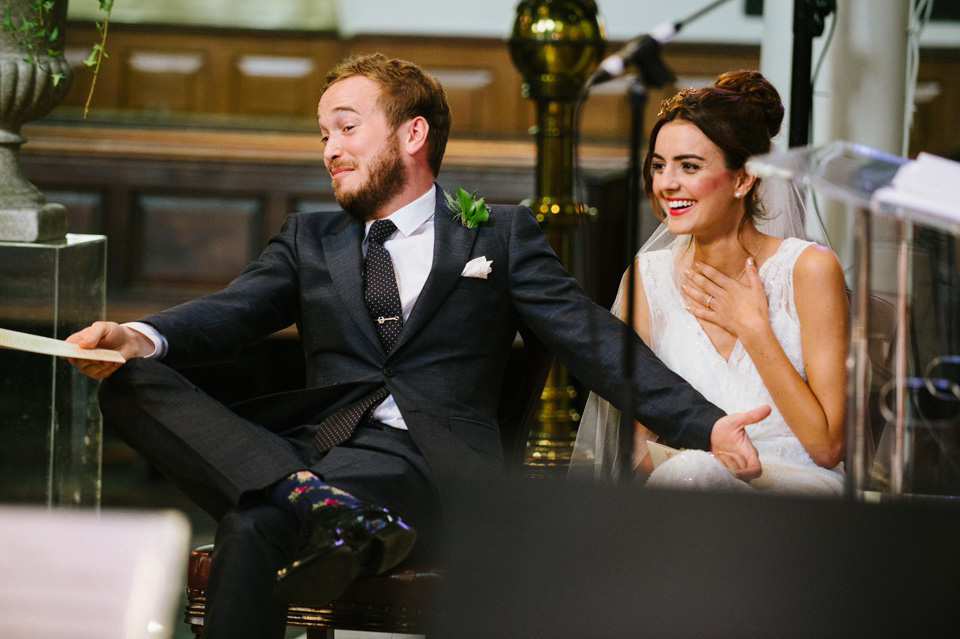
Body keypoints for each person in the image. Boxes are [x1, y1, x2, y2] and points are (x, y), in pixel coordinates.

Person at [66, 54, 769, 639]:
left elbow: (591, 338)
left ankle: (306, 504)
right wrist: (139, 335)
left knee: (252, 525)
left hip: (429, 467)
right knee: (130, 379)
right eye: (321, 136)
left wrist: (703, 422)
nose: (330, 149)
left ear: (413, 135)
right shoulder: (309, 239)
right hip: (317, 450)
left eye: (345, 128)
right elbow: (231, 312)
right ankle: (317, 501)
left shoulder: (498, 235)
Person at [570, 70, 849, 494]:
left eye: (689, 166)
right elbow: (636, 444)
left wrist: (754, 329)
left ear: (742, 179)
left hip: (796, 494)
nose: (667, 184)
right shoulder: (649, 277)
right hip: (688, 492)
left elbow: (828, 447)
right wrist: (699, 468)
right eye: (659, 166)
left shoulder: (809, 269)